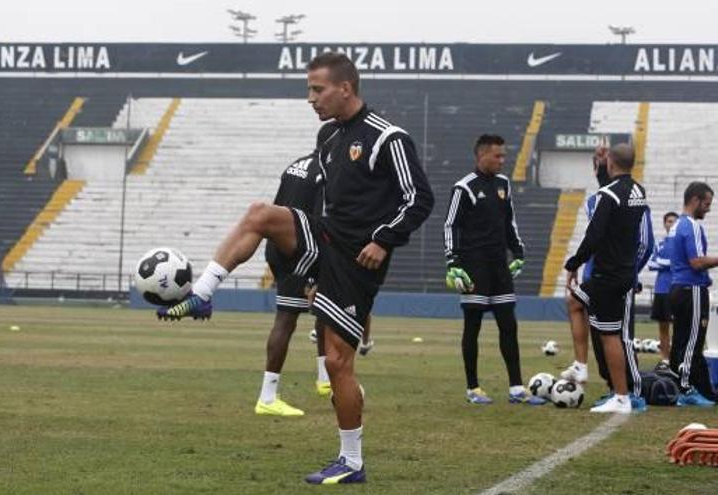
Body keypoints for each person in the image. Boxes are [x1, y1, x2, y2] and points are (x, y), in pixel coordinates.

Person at [159, 52, 434, 484]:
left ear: (346, 87)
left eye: (317, 89)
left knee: (338, 363)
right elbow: (323, 201)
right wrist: (304, 261)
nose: (311, 98)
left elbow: (419, 198)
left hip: (356, 261)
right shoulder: (327, 137)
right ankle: (202, 294)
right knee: (260, 214)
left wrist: (383, 240)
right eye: (309, 89)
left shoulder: (388, 138)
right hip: (322, 236)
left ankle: (352, 462)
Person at [443, 134, 545, 405]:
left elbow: (509, 222)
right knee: (472, 326)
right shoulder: (463, 187)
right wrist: (453, 262)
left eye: (504, 155)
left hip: (499, 266)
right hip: (473, 267)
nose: (503, 160)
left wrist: (518, 252)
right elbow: (451, 225)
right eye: (498, 156)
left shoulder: (503, 184)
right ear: (481, 155)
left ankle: (516, 388)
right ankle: (473, 388)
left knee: (508, 325)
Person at [562, 147, 653, 411]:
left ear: (611, 162)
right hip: (623, 271)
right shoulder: (638, 192)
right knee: (575, 302)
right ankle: (580, 366)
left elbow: (595, 236)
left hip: (607, 274)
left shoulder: (607, 194)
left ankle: (622, 396)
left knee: (609, 335)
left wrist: (573, 263)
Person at [256, 151, 325, 417]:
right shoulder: (326, 171)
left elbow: (275, 208)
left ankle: (325, 379)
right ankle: (268, 396)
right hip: (300, 249)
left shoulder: (295, 165)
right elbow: (320, 220)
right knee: (287, 319)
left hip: (276, 243)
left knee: (323, 310)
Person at [667, 182, 718, 406]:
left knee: (680, 339)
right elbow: (696, 262)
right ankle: (687, 389)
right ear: (695, 200)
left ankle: (680, 384)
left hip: (678, 287)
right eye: (706, 204)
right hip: (692, 289)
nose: (708, 209)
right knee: (693, 341)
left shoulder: (676, 225)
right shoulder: (692, 226)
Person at [647, 211, 679, 372]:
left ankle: (677, 360)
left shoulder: (680, 244)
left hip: (676, 289)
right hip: (661, 289)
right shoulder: (659, 244)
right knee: (663, 328)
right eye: (668, 221)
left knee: (679, 327)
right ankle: (665, 359)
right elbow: (651, 265)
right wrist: (666, 263)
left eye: (674, 221)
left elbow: (675, 263)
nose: (671, 224)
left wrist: (662, 262)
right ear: (664, 224)